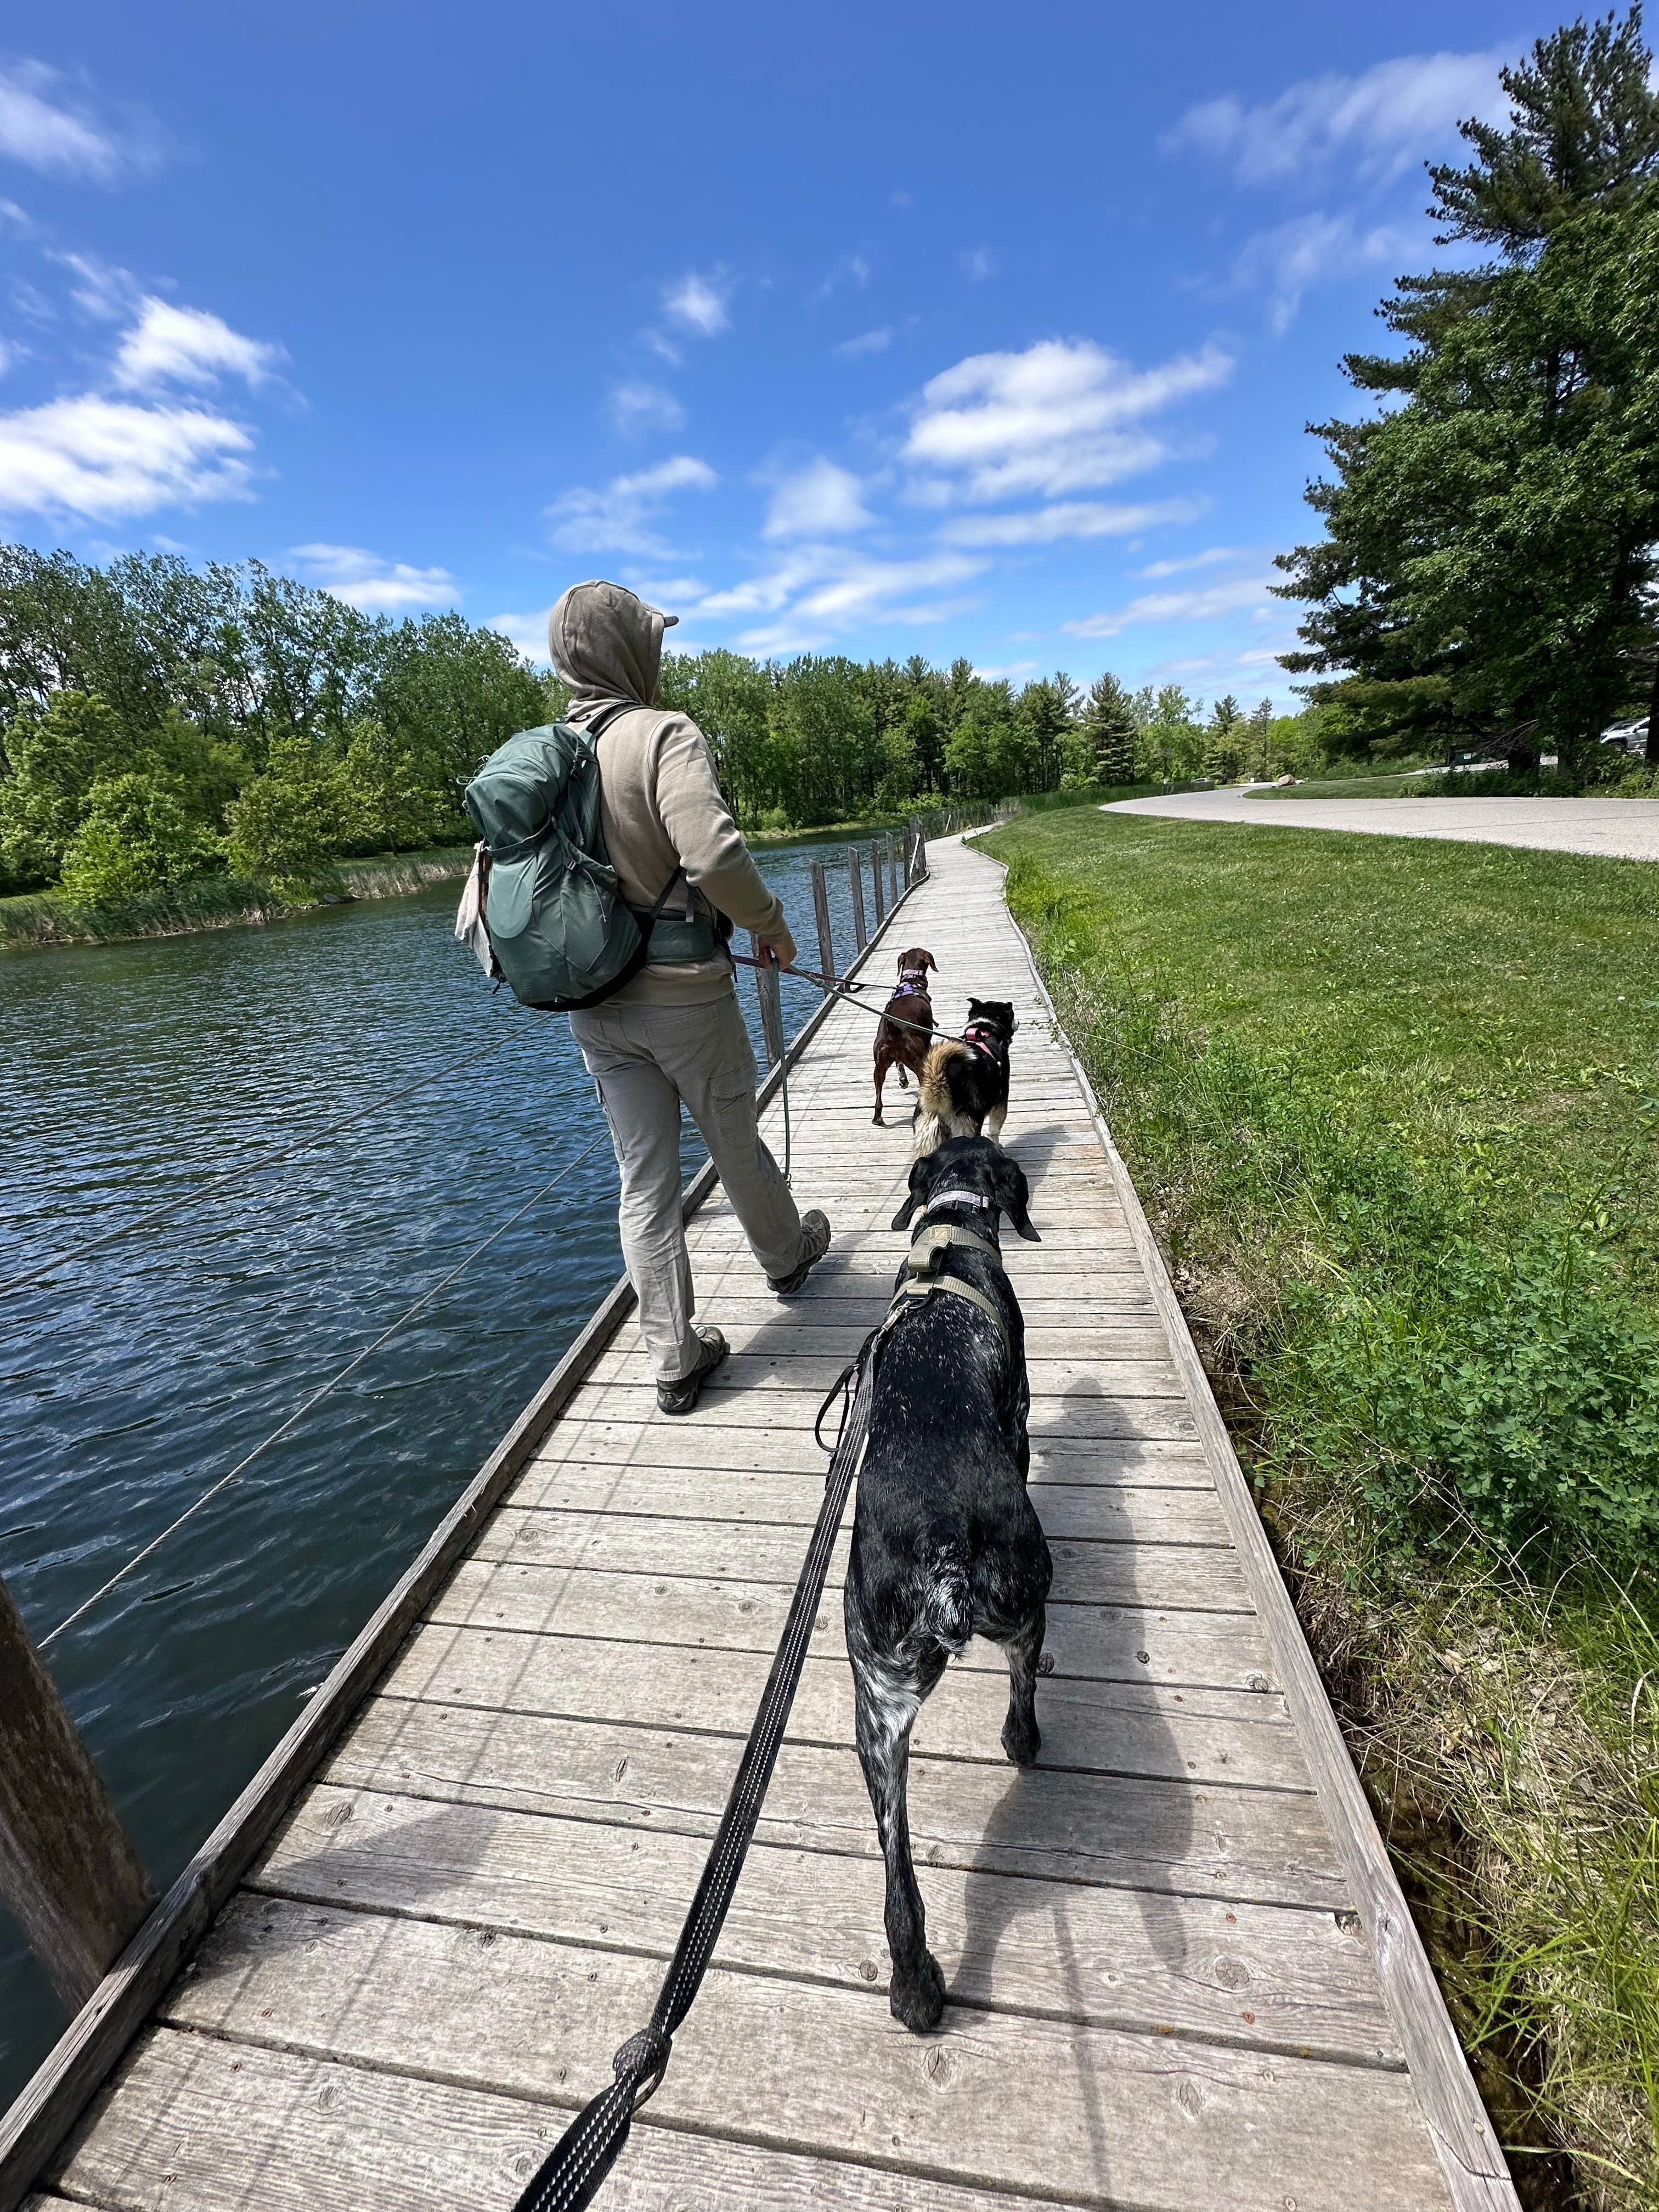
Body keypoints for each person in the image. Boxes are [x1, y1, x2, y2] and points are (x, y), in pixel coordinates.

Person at [549, 579, 831, 1415]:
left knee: (643, 1181)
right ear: (634, 650)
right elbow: (710, 854)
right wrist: (771, 926)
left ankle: (674, 1359)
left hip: (595, 1004)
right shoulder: (661, 733)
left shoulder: (544, 756)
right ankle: (785, 1257)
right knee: (732, 1140)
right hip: (686, 996)